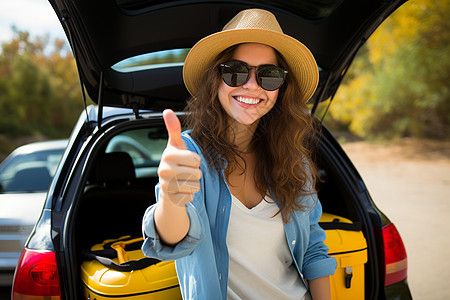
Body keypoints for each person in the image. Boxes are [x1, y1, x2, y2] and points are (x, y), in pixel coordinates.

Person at [142, 8, 337, 300]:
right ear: (215, 79)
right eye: (235, 71)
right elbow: (175, 239)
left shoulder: (293, 161)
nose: (251, 85)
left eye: (269, 75)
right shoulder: (189, 154)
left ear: (281, 89)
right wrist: (171, 200)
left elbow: (313, 248)